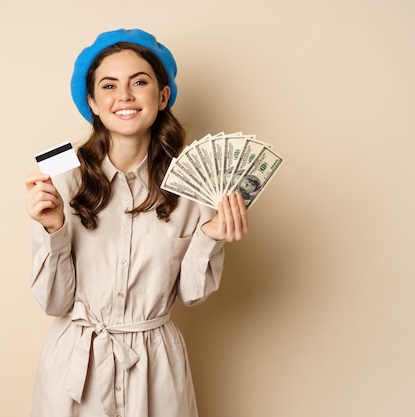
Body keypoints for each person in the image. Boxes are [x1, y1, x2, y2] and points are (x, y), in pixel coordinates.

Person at [24, 28, 249, 417]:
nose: (124, 96)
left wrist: (210, 237)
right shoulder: (61, 179)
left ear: (162, 97)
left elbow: (193, 294)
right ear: (92, 102)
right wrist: (55, 229)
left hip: (156, 368)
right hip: (76, 371)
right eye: (109, 86)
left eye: (139, 82)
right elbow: (54, 302)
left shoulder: (194, 184)